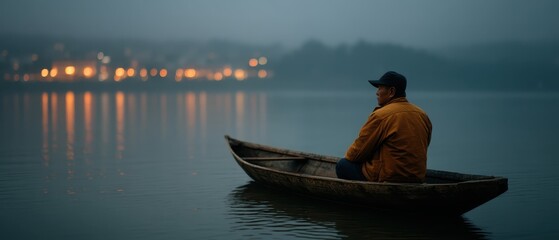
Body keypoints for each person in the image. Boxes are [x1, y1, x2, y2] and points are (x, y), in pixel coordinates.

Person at [336, 71, 432, 183]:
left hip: (390, 178)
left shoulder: (381, 115)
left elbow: (355, 154)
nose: (377, 93)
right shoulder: (422, 115)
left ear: (391, 91)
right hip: (417, 177)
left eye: (380, 88)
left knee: (342, 165)